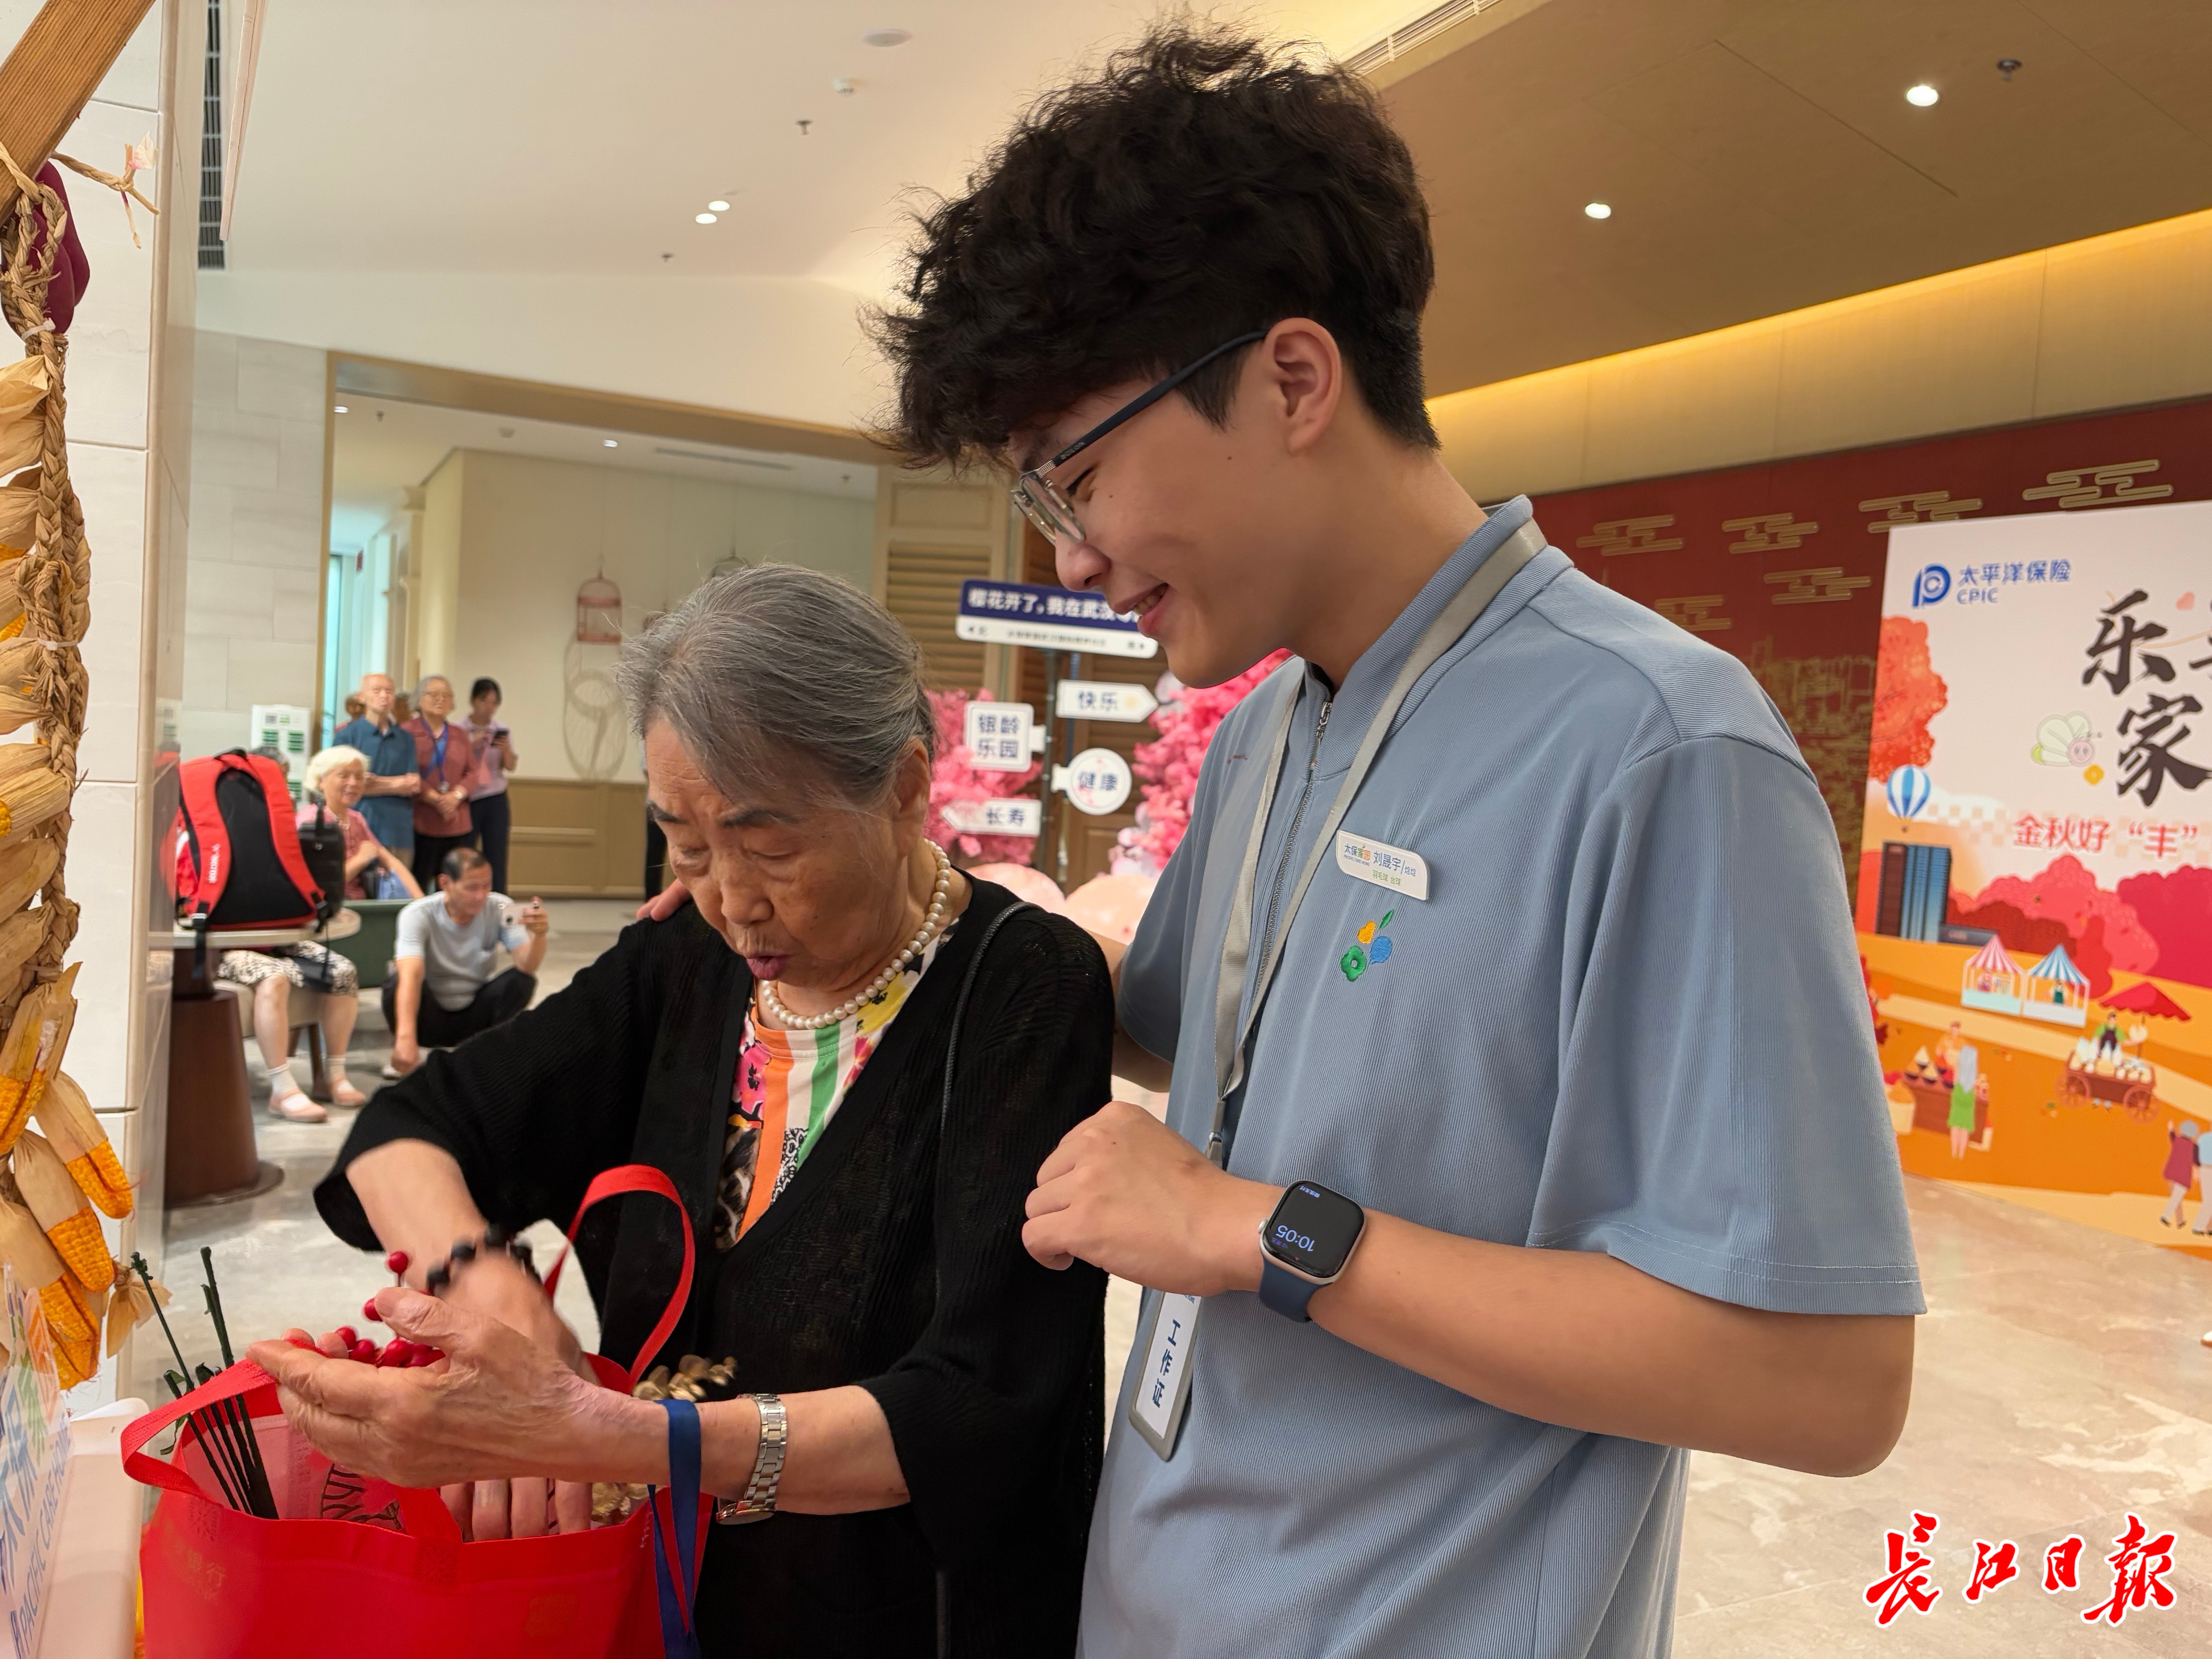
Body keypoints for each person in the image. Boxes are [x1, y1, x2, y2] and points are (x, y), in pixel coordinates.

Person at [866, 26, 1921, 1656]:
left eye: (1077, 481)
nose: (1069, 558)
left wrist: (1255, 1230)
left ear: (1293, 380)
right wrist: (900, 900)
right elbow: (1194, 1027)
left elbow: (1826, 1378)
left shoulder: (1660, 748)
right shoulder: (1272, 725)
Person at [251, 566, 1111, 1654]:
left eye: (771, 848)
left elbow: (977, 1408)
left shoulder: (1022, 988)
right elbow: (407, 1130)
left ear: (902, 790)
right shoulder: (687, 961)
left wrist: (610, 1436)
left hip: (911, 1618)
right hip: (664, 1600)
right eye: (688, 846)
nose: (734, 900)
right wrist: (490, 1293)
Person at [382, 848, 545, 1076]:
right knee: (397, 981)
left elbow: (527, 966)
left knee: (522, 981)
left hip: (476, 1015)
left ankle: (493, 1054)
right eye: (471, 888)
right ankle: (406, 1053)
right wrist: (405, 1038)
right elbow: (411, 975)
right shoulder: (418, 914)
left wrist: (539, 936)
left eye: (487, 886)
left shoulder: (501, 907)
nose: (481, 896)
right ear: (445, 883)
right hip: (430, 1016)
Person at [299, 745, 422, 902]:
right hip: (330, 908)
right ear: (321, 780)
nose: (353, 783)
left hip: (362, 904)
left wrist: (421, 902)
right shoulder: (311, 821)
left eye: (359, 777)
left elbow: (391, 862)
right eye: (344, 776)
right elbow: (318, 885)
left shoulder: (356, 819)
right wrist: (361, 859)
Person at [331, 672, 421, 867]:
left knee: (399, 883)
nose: (384, 696)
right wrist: (397, 784)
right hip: (360, 824)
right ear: (362, 697)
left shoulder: (405, 738)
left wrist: (372, 783)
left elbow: (413, 785)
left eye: (389, 691)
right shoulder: (347, 736)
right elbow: (343, 785)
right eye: (377, 691)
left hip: (399, 829)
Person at [401, 675, 477, 890]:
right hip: (422, 820)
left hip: (456, 820)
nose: (441, 699)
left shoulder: (459, 734)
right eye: (434, 694)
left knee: (455, 883)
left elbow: (473, 772)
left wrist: (455, 797)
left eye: (446, 695)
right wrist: (435, 798)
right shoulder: (406, 732)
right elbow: (406, 771)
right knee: (418, 883)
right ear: (419, 699)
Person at [460, 677, 517, 895]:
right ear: (473, 701)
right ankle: (466, 896)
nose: (489, 707)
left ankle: (498, 900)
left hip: (495, 796)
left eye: (494, 703)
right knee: (465, 852)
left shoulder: (502, 730)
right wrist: (471, 744)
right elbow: (454, 764)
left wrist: (506, 750)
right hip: (468, 797)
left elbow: (510, 766)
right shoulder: (459, 730)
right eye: (484, 701)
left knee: (497, 854)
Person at [2159, 1119, 2200, 1227]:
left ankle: (2180, 1221)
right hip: (2183, 1176)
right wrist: (2196, 1175)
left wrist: (2171, 1128)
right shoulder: (2194, 1147)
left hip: (2171, 1173)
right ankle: (2166, 1217)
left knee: (2177, 1198)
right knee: (2176, 1198)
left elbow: (2172, 1134)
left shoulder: (2177, 1140)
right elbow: (2196, 1163)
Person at [1948, 1041, 1981, 1159]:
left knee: (1955, 1126)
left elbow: (1955, 1082)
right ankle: (1962, 1153)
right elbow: (1975, 1086)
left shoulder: (1958, 1068)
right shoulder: (1974, 1071)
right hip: (1969, 1097)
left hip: (1958, 1095)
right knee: (1965, 1128)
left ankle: (1954, 1152)